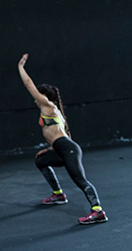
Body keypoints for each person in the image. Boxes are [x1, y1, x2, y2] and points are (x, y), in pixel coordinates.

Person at [17, 53, 107, 224]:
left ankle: (98, 211)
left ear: (43, 96)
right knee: (41, 160)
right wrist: (49, 149)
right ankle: (58, 194)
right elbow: (59, 135)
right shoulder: (54, 111)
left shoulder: (48, 106)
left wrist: (21, 68)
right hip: (61, 149)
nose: (35, 100)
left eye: (38, 96)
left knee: (80, 180)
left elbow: (29, 84)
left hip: (68, 149)